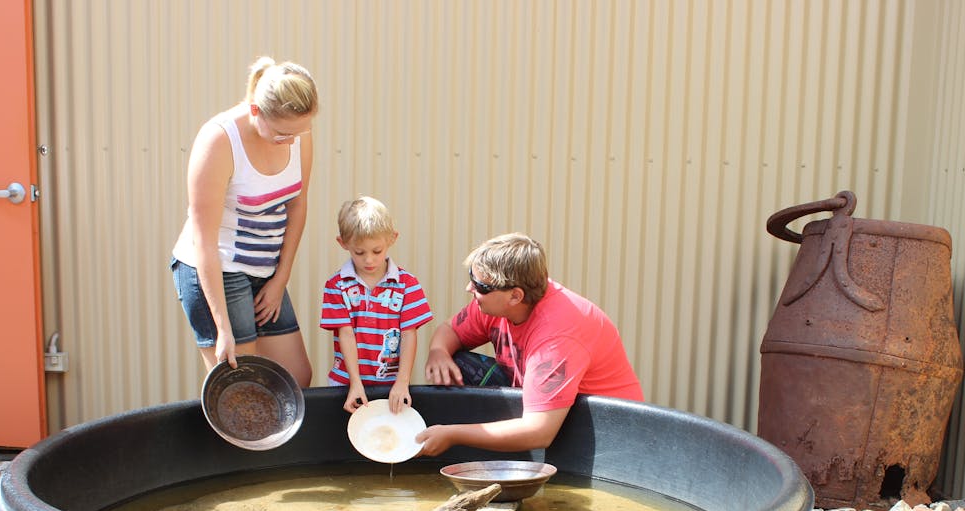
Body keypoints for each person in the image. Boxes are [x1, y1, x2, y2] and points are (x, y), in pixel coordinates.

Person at [417, 233, 643, 455]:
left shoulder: (557, 334)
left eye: (480, 286)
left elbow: (539, 432)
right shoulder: (494, 304)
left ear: (515, 296)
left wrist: (453, 435)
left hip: (605, 432)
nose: (470, 288)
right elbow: (449, 330)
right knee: (458, 364)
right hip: (550, 412)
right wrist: (438, 351)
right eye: (471, 277)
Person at [170, 56, 317, 386]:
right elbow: (203, 240)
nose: (291, 141)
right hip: (217, 266)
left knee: (297, 376)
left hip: (263, 267)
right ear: (255, 111)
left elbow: (297, 204)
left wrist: (280, 278)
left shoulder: (296, 131)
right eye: (282, 134)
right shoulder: (219, 141)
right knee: (243, 386)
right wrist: (222, 328)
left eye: (300, 131)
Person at [320, 196, 433, 412]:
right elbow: (345, 333)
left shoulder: (407, 284)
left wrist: (402, 382)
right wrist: (355, 382)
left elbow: (409, 334)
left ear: (392, 239)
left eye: (377, 251)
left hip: (391, 386)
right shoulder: (336, 285)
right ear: (343, 243)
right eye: (359, 252)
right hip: (346, 384)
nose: (369, 260)